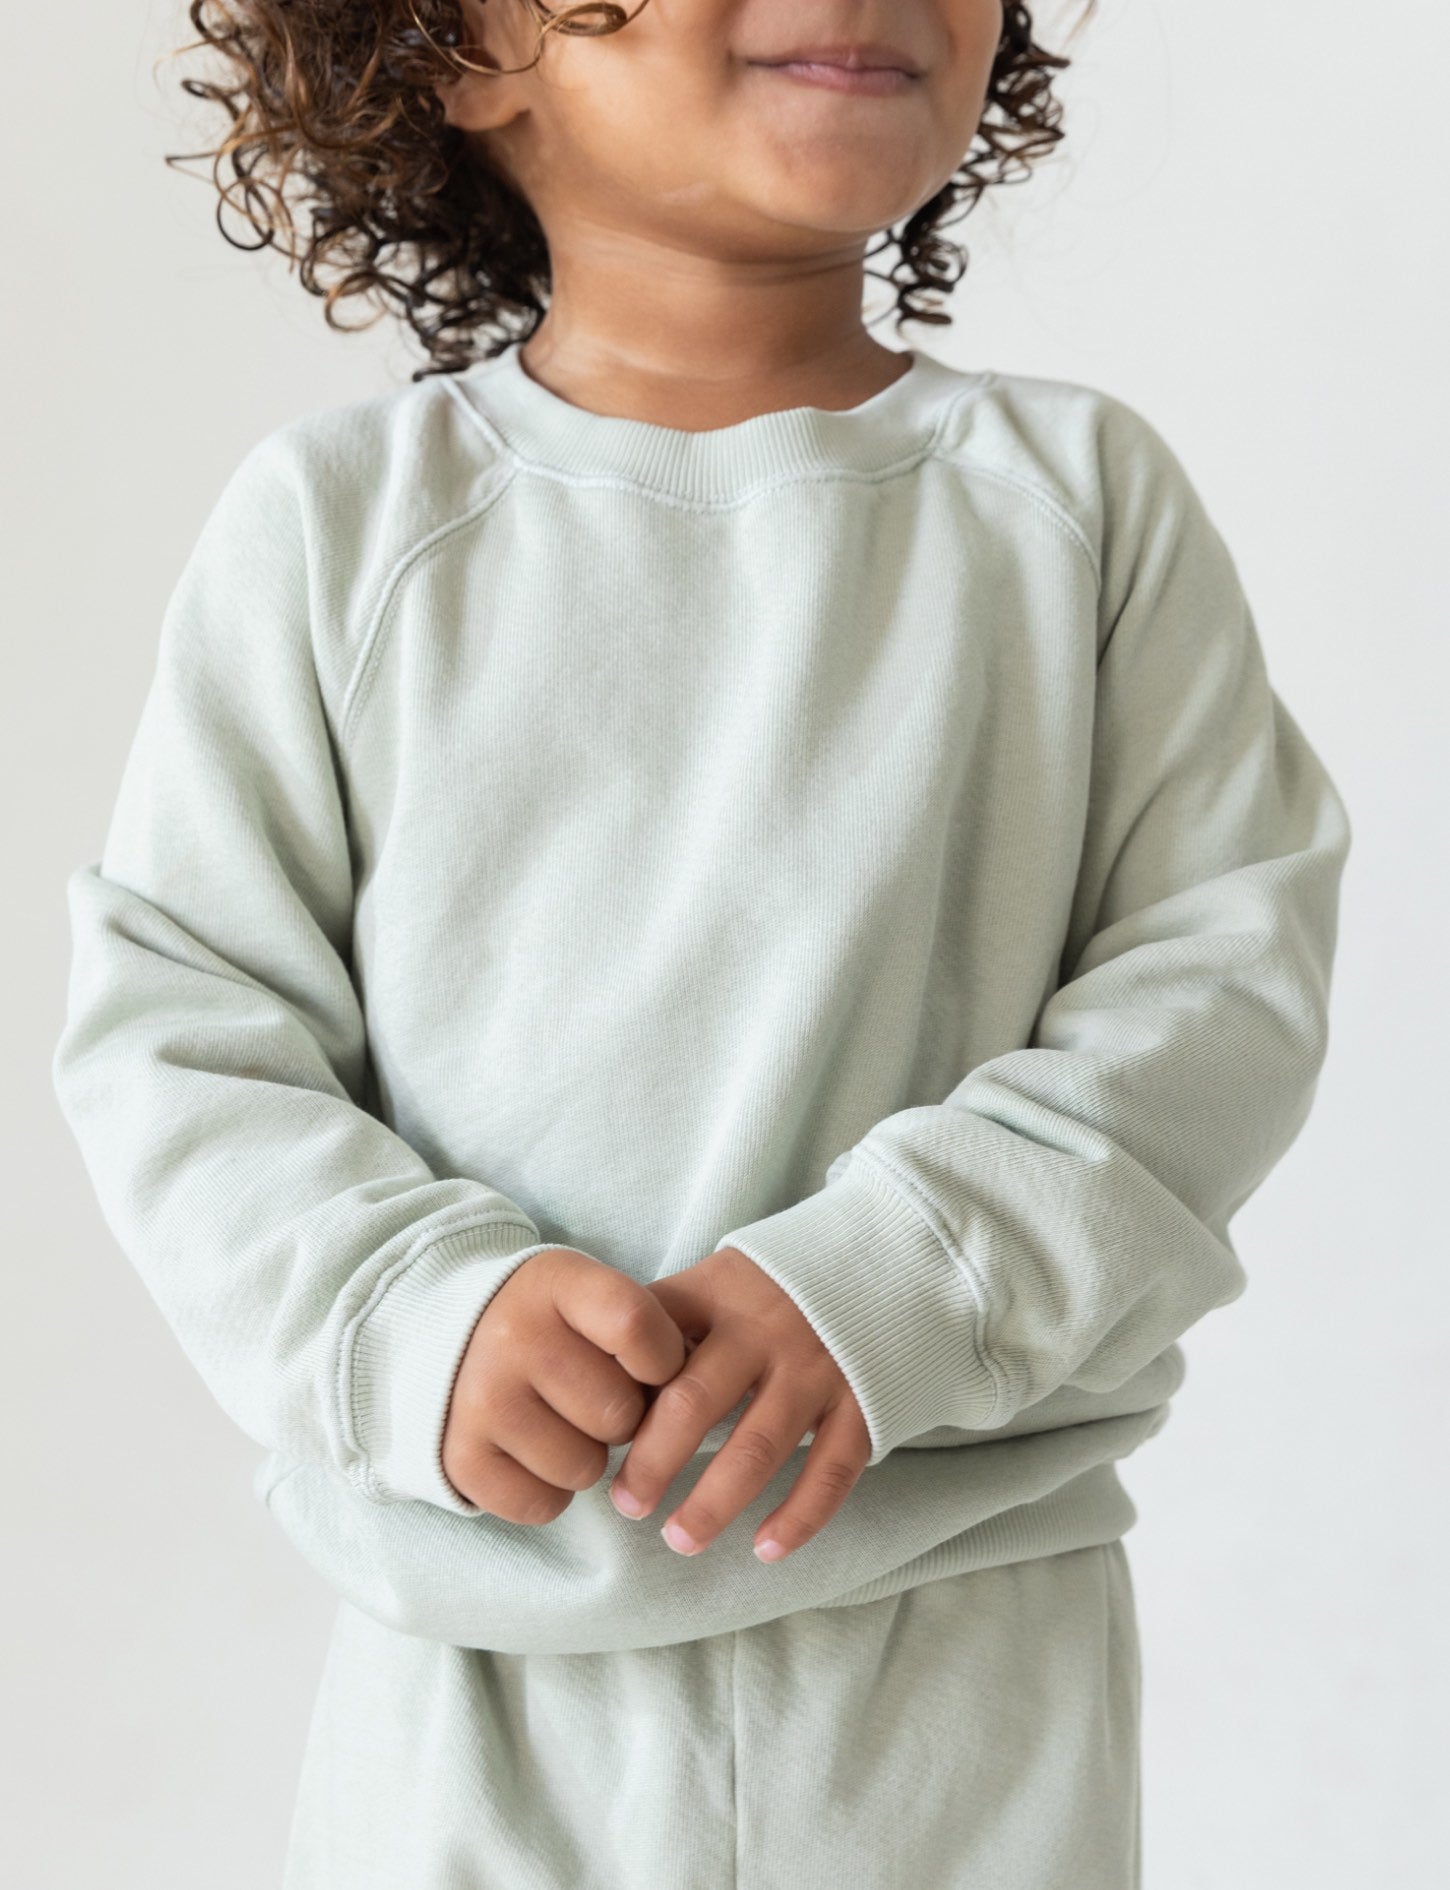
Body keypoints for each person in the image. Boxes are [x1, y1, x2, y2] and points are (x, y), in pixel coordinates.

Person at [51, 1, 1352, 1884]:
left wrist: (912, 1272)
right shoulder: (339, 531)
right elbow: (182, 1029)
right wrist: (411, 1311)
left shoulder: (1075, 508)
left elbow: (1221, 978)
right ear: (453, 50)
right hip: (483, 1662)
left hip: (957, 1650)